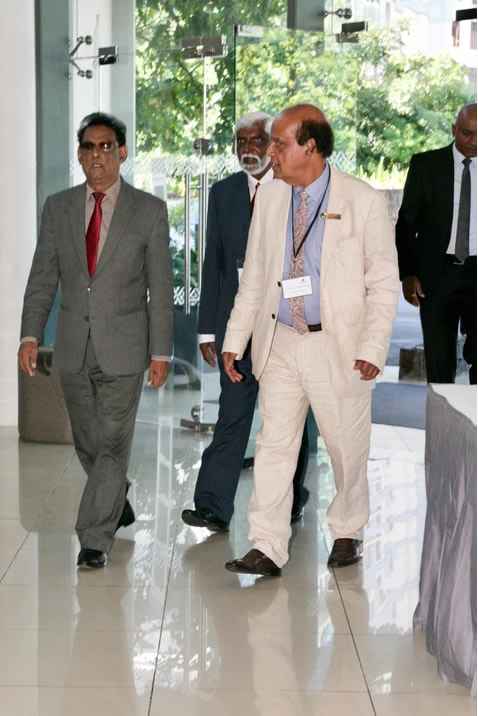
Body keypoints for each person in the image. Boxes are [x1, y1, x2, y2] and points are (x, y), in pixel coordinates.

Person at [221, 104, 399, 576]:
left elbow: (384, 284)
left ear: (311, 147)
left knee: (345, 447)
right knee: (274, 444)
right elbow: (255, 276)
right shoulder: (271, 197)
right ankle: (267, 544)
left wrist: (372, 348)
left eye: (280, 144)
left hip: (337, 347)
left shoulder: (363, 201)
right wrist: (235, 338)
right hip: (280, 341)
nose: (271, 154)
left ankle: (347, 530)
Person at [18, 112, 173, 569]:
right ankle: (114, 497)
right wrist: (30, 334)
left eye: (106, 146)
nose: (97, 155)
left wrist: (160, 351)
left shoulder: (148, 211)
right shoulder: (59, 207)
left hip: (125, 347)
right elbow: (42, 277)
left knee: (112, 443)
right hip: (72, 346)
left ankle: (94, 537)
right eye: (89, 147)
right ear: (80, 155)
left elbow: (161, 286)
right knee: (87, 440)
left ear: (122, 153)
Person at [182, 111, 309, 534]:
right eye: (241, 142)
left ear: (273, 145)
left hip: (284, 325)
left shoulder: (294, 188)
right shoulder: (224, 192)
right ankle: (212, 505)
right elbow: (214, 263)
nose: (248, 149)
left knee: (287, 418)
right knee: (232, 415)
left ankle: (292, 497)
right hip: (235, 325)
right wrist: (207, 328)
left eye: (256, 140)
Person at [395, 102, 477, 384]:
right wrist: (408, 273)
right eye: (467, 133)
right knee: (440, 364)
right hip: (438, 275)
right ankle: (443, 413)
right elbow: (407, 224)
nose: (473, 142)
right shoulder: (426, 165)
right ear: (454, 129)